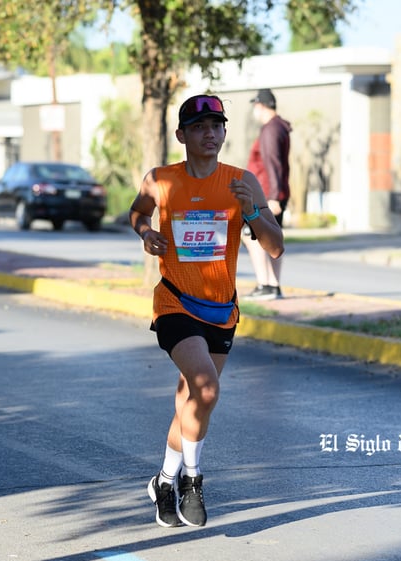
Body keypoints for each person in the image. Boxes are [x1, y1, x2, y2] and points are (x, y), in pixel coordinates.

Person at [129, 94, 284, 528]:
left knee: (191, 401)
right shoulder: (160, 180)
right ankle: (193, 480)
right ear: (181, 135)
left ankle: (163, 480)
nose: (210, 134)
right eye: (199, 127)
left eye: (217, 126)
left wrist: (251, 209)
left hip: (220, 310)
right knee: (207, 389)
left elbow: (275, 245)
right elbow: (138, 212)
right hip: (175, 301)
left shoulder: (242, 181)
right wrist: (146, 232)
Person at [242, 88, 292, 300]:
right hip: (272, 192)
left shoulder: (270, 130)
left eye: (255, 106)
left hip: (265, 194)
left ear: (261, 106)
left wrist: (273, 197)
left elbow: (273, 163)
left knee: (251, 236)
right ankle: (273, 285)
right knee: (272, 236)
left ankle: (265, 284)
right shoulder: (279, 127)